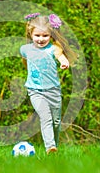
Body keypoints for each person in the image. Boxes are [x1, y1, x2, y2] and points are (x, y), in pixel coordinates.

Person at [20, 13, 77, 154]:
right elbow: (26, 62)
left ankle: (54, 147)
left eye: (45, 36)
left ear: (51, 36)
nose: (41, 39)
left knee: (56, 123)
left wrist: (64, 63)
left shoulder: (54, 48)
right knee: (45, 117)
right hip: (35, 91)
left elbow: (61, 57)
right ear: (30, 34)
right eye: (37, 36)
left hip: (53, 91)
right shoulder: (25, 49)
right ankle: (49, 147)